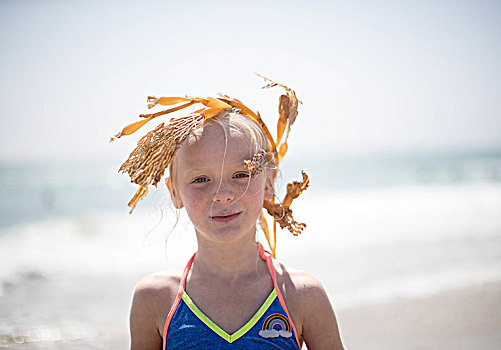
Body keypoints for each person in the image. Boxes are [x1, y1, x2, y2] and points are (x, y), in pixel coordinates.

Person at [113, 80, 344, 349]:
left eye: (241, 175)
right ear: (175, 192)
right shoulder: (155, 299)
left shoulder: (301, 295)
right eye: (201, 179)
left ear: (268, 183)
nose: (223, 194)